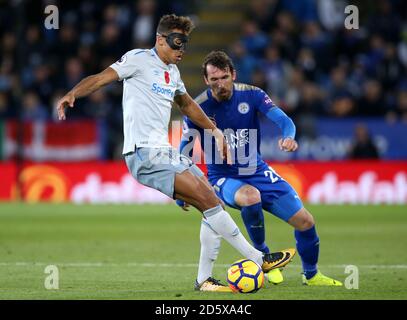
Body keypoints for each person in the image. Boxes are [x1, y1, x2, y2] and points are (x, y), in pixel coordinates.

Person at [56, 14, 295, 292]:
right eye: (176, 43)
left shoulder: (173, 73)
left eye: (185, 44)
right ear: (160, 39)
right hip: (143, 152)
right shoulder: (138, 59)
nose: (181, 50)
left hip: (163, 152)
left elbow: (189, 105)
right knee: (207, 198)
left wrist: (216, 132)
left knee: (211, 198)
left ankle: (204, 280)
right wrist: (73, 93)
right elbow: (101, 78)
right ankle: (258, 258)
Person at [178, 51, 342, 286]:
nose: (219, 84)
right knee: (250, 197)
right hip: (223, 176)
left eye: (224, 77)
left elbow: (285, 121)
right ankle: (263, 256)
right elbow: (184, 148)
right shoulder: (198, 107)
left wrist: (289, 136)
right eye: (213, 80)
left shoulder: (253, 94)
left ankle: (312, 275)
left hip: (256, 169)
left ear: (233, 74)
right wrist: (181, 190)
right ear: (206, 80)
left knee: (305, 221)